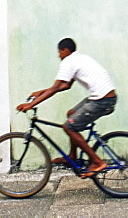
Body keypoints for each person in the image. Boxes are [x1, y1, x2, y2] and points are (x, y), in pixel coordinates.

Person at [16, 37, 117, 177]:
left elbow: (57, 87)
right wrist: (41, 92)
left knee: (68, 127)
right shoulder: (79, 58)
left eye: (59, 52)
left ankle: (97, 162)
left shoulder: (68, 61)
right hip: (103, 97)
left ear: (65, 50)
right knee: (71, 114)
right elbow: (65, 86)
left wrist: (31, 104)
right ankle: (72, 156)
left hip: (102, 100)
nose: (59, 55)